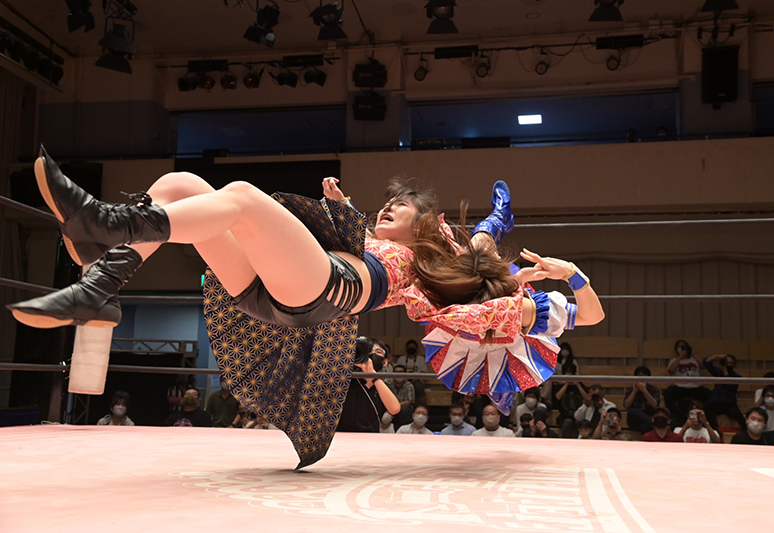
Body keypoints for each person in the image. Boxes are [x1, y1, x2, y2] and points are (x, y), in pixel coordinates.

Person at [10, 153, 602, 467]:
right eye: (388, 203)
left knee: (241, 197)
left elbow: (494, 249)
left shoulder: (432, 271)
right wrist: (341, 211)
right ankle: (100, 281)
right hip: (266, 293)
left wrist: (552, 274)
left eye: (400, 206)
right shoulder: (373, 235)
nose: (387, 208)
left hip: (324, 290)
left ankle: (103, 228)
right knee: (182, 181)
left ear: (429, 225)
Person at [337, 337, 401, 433]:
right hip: (341, 435)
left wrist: (373, 375)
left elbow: (394, 409)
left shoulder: (385, 386)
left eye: (378, 351)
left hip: (371, 438)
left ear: (385, 362)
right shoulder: (345, 382)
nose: (372, 355)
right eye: (369, 351)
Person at [664, 340, 711, 426]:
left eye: (684, 346)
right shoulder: (674, 360)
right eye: (680, 347)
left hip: (695, 387)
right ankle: (674, 417)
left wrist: (693, 355)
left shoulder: (694, 359)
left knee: (710, 395)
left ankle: (707, 419)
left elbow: (703, 366)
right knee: (668, 393)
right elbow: (671, 370)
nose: (682, 348)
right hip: (680, 387)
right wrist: (680, 357)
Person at [702, 354, 746, 430]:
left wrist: (725, 371)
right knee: (707, 407)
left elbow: (729, 384)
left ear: (733, 365)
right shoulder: (718, 372)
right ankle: (715, 429)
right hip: (716, 401)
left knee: (739, 416)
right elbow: (706, 362)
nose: (727, 364)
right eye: (726, 362)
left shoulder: (736, 376)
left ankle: (746, 431)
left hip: (729, 403)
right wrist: (716, 356)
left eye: (730, 363)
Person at [552, 363, 588, 438]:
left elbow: (587, 399)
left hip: (579, 415)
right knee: (567, 422)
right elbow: (557, 397)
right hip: (565, 415)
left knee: (580, 423)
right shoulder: (560, 386)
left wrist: (578, 385)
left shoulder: (580, 385)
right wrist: (566, 384)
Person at [622, 366, 661, 433]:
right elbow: (626, 405)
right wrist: (634, 391)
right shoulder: (630, 389)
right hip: (634, 420)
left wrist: (644, 390)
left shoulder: (654, 389)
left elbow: (655, 405)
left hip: (648, 415)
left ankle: (650, 423)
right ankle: (653, 424)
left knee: (644, 426)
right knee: (632, 411)